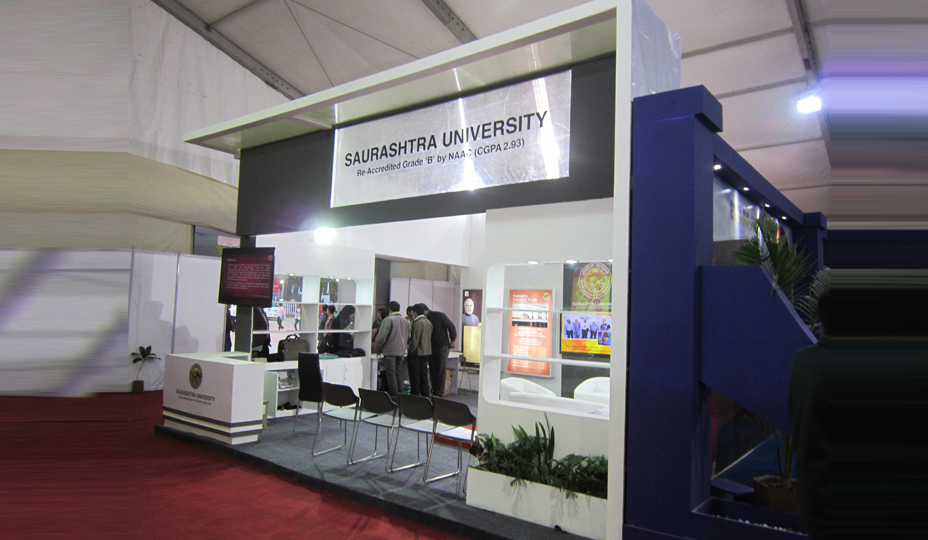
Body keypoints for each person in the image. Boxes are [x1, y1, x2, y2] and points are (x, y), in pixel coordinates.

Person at [371, 301, 410, 400]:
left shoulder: (388, 320)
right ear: (399, 309)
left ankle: (393, 397)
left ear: (389, 310)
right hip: (401, 351)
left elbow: (382, 337)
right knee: (398, 373)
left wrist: (377, 349)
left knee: (391, 374)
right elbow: (409, 336)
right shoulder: (405, 321)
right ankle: (401, 396)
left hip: (390, 351)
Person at [424, 304, 457, 398]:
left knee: (440, 370)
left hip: (442, 346)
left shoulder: (439, 316)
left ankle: (439, 393)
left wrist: (453, 340)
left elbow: (451, 326)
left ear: (425, 311)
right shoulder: (427, 319)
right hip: (432, 347)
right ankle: (435, 391)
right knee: (433, 370)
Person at [407, 303, 433, 397]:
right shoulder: (428, 322)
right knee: (423, 374)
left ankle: (415, 394)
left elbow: (415, 340)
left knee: (415, 375)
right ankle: (425, 394)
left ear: (415, 312)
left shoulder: (417, 323)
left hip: (417, 352)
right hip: (426, 352)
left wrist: (410, 351)